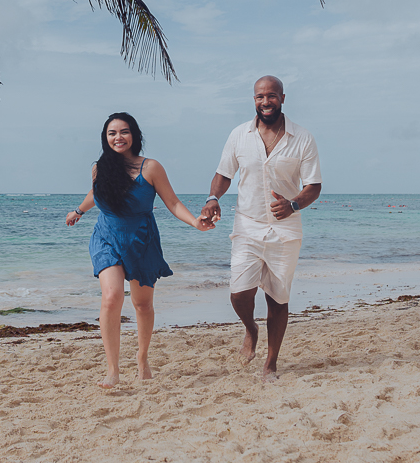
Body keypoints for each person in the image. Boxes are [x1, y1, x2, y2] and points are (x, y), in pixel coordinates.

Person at [66, 112, 213, 387]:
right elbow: (95, 193)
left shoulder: (151, 168)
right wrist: (78, 211)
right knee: (111, 297)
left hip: (141, 238)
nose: (118, 137)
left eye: (123, 132)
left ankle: (142, 358)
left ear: (134, 135)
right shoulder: (100, 168)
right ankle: (113, 370)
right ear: (105, 137)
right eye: (112, 133)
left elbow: (172, 202)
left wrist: (195, 221)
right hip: (106, 235)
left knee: (142, 304)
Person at [200, 76, 322, 381]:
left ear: (282, 97)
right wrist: (213, 197)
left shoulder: (303, 138)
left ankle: (271, 363)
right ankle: (251, 329)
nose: (265, 102)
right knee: (239, 293)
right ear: (254, 99)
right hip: (247, 226)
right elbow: (223, 173)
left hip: (286, 229)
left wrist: (293, 204)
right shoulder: (239, 135)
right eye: (259, 97)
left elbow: (313, 186)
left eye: (270, 96)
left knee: (278, 298)